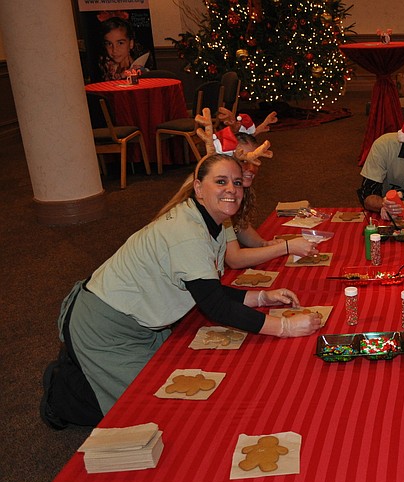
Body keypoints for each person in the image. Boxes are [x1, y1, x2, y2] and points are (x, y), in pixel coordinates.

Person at [41, 154, 321, 429]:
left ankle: (79, 364)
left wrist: (262, 297)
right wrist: (284, 326)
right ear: (199, 188)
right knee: (149, 407)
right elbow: (216, 307)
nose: (231, 190)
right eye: (221, 181)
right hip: (103, 326)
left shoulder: (215, 220)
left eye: (237, 183)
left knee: (170, 383)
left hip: (137, 321)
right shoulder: (188, 231)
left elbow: (207, 290)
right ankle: (59, 394)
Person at [220, 132, 319, 269]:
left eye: (255, 160)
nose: (251, 168)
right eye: (243, 161)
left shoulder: (237, 189)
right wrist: (286, 247)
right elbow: (234, 259)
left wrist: (262, 244)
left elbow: (238, 225)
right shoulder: (221, 196)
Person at [98, 17, 147, 81]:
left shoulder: (140, 60)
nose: (114, 50)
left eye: (120, 43)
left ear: (131, 44)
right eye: (109, 44)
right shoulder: (104, 65)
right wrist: (122, 76)